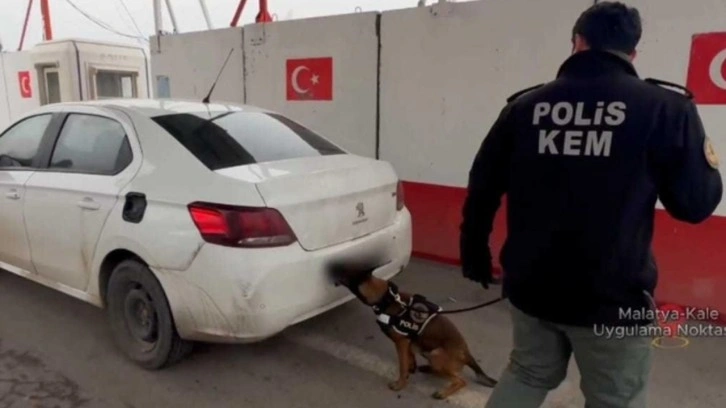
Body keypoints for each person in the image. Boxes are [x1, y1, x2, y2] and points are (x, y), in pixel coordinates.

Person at [459, 2, 723, 407]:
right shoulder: (666, 108)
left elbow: (483, 186)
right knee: (616, 398)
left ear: (578, 42)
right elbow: (695, 205)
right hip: (613, 296)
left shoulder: (523, 108)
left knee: (527, 374)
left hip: (532, 286)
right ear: (633, 52)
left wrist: (474, 251)